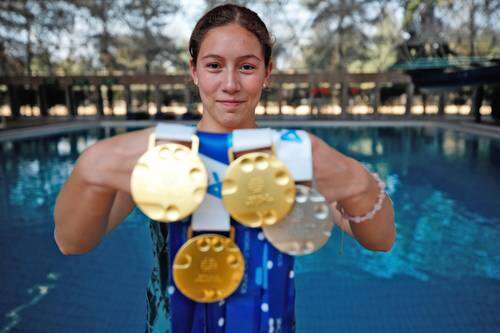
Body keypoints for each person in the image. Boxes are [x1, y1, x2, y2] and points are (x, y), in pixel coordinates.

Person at [54, 4, 395, 333]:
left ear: (267, 73)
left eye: (246, 67)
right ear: (194, 72)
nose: (230, 84)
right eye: (214, 66)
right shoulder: (162, 159)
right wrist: (89, 171)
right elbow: (73, 242)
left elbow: (380, 241)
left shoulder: (292, 159)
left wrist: (359, 183)